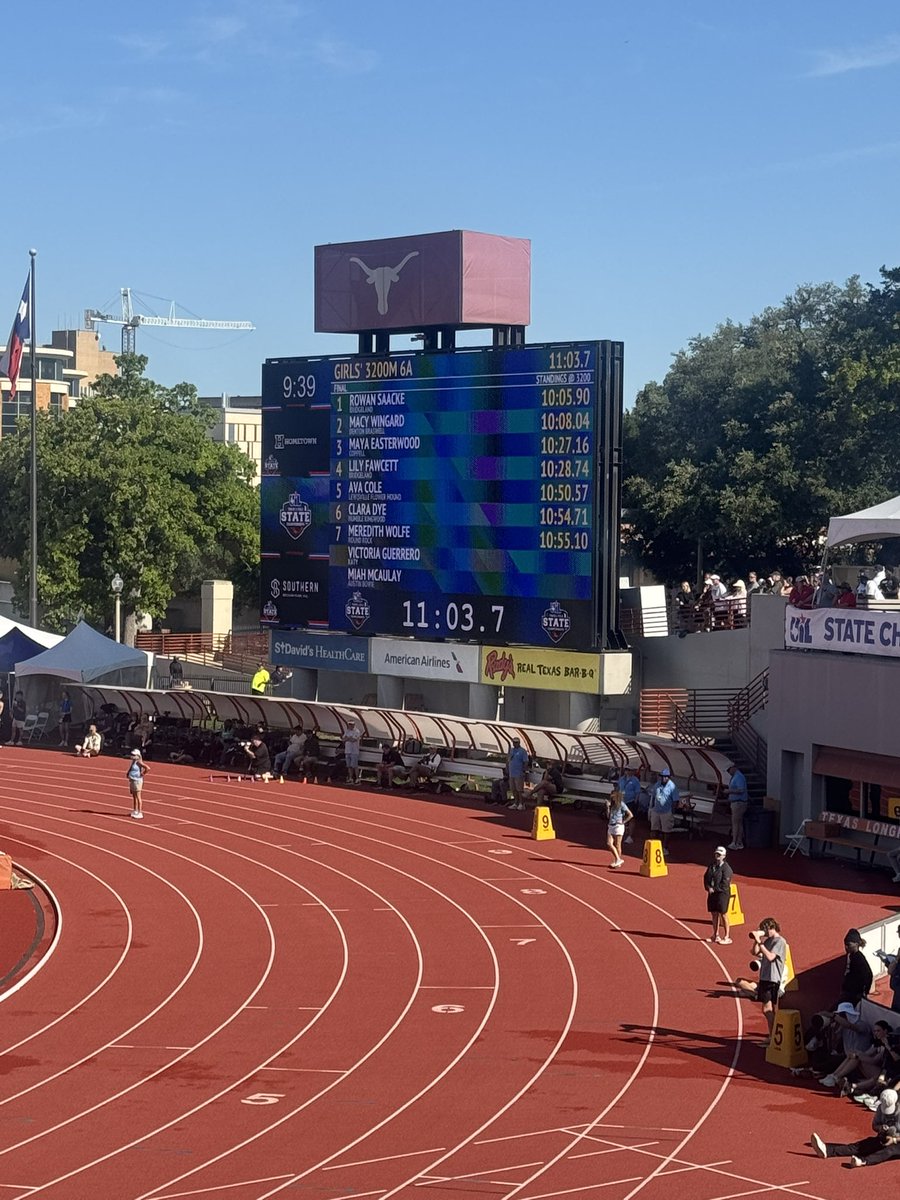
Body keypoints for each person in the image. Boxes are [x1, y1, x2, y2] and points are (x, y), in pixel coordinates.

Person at [810, 1088, 900, 1168]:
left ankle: (863, 1161)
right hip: (885, 1137)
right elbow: (874, 1126)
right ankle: (828, 1150)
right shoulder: (881, 1108)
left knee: (889, 1150)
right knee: (863, 1145)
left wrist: (894, 1140)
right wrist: (880, 1128)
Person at [739, 917, 787, 1040]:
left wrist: (760, 943)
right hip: (765, 978)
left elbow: (771, 957)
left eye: (766, 930)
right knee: (768, 1010)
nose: (765, 933)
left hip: (772, 979)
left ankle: (773, 1036)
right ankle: (773, 1035)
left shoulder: (779, 941)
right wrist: (757, 941)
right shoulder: (768, 941)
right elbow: (754, 952)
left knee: (767, 1010)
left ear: (772, 928)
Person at [703, 846, 734, 944]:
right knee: (714, 914)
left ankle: (727, 936)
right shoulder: (712, 866)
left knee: (723, 914)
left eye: (719, 855)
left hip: (722, 895)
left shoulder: (727, 869)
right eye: (716, 854)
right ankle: (715, 935)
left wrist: (714, 889)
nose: (717, 856)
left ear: (724, 856)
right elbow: (706, 877)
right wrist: (708, 887)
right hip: (712, 894)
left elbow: (725, 884)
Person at [648, 767, 678, 856]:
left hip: (666, 811)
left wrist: (672, 812)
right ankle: (654, 846)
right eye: (662, 776)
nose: (664, 778)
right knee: (654, 829)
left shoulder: (672, 787)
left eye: (666, 777)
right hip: (656, 810)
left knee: (666, 830)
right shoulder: (657, 785)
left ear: (669, 777)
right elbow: (653, 797)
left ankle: (665, 848)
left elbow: (675, 801)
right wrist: (651, 808)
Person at [841, 928, 873, 1004]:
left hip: (855, 994)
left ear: (856, 944)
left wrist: (864, 992)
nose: (846, 947)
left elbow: (869, 975)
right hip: (850, 992)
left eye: (849, 944)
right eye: (845, 944)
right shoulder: (851, 956)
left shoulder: (859, 959)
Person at [606, 787, 634, 868]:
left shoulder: (621, 804)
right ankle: (618, 859)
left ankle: (617, 861)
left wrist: (623, 821)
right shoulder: (611, 804)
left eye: (612, 795)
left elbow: (630, 814)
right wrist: (607, 807)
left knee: (618, 844)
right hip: (611, 825)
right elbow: (608, 816)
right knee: (609, 843)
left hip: (618, 826)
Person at [726, 764, 749, 850]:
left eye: (729, 770)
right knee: (739, 822)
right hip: (738, 802)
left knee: (735, 822)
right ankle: (739, 841)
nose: (729, 772)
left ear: (733, 768)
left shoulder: (739, 777)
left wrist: (729, 791)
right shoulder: (737, 776)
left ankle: (734, 842)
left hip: (738, 802)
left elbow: (741, 790)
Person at [506, 737, 530, 811]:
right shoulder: (511, 750)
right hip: (511, 773)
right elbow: (508, 760)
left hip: (519, 773)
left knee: (519, 789)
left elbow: (526, 762)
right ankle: (515, 803)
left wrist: (524, 771)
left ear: (519, 743)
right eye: (513, 742)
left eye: (516, 742)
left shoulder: (522, 751)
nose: (514, 743)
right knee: (513, 789)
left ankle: (521, 803)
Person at [126, 748, 149, 819]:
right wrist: (128, 773)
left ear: (138, 756)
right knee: (134, 796)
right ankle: (135, 810)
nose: (132, 756)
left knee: (138, 796)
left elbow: (147, 768)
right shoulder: (133, 761)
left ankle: (140, 812)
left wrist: (142, 774)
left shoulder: (139, 762)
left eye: (134, 755)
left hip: (137, 781)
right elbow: (130, 768)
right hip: (132, 780)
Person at [343, 719, 362, 784]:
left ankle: (357, 779)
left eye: (351, 724)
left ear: (354, 724)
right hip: (347, 750)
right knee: (349, 766)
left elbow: (354, 739)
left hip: (354, 751)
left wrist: (347, 738)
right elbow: (343, 739)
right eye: (349, 724)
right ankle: (350, 778)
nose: (350, 725)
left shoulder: (357, 731)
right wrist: (348, 738)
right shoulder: (347, 731)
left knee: (354, 766)